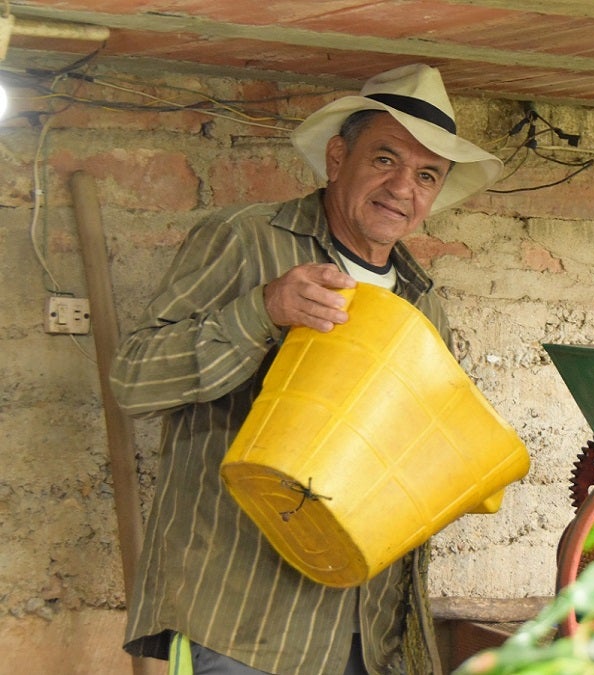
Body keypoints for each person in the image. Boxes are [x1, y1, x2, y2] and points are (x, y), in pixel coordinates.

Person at [110, 64, 503, 675]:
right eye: (385, 160)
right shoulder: (246, 240)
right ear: (337, 158)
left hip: (369, 632)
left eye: (427, 175)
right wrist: (263, 310)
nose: (403, 187)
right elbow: (134, 382)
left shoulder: (422, 303)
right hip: (242, 619)